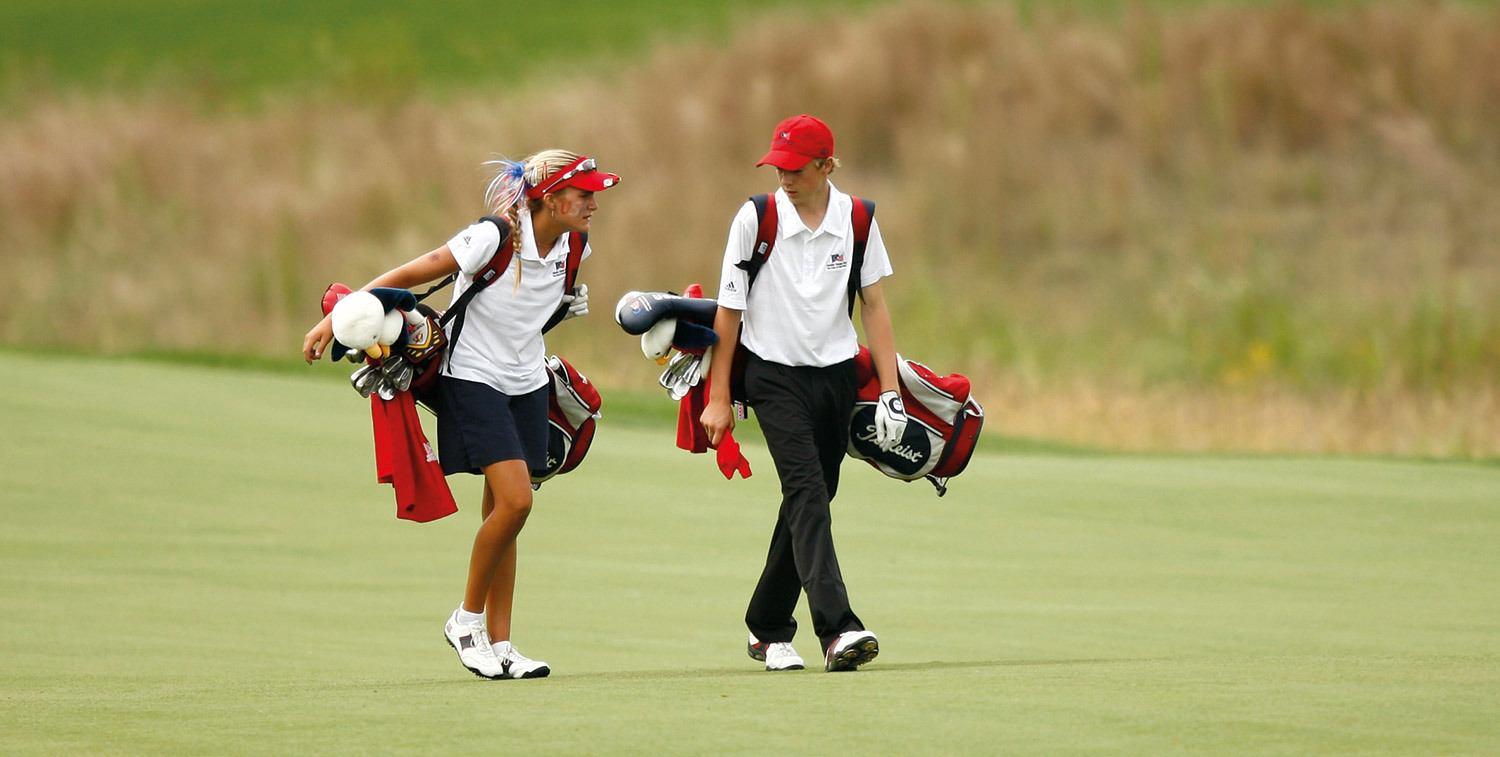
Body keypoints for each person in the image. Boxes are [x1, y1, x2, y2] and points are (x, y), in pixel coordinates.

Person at [301, 150, 620, 679]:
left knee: (504, 511)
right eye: (583, 194)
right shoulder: (494, 236)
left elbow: (522, 317)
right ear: (548, 197)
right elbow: (413, 271)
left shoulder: (575, 245)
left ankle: (502, 643)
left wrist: (561, 306)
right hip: (473, 380)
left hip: (526, 381)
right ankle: (465, 620)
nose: (592, 204)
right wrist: (341, 315)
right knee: (516, 503)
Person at [700, 114, 908, 673]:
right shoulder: (756, 218)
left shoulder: (858, 219)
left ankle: (766, 627)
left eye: (795, 168)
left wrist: (890, 392)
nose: (784, 178)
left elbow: (875, 305)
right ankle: (838, 629)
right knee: (807, 492)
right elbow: (728, 311)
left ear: (826, 166)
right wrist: (717, 397)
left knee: (811, 498)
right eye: (778, 167)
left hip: (836, 376)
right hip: (773, 376)